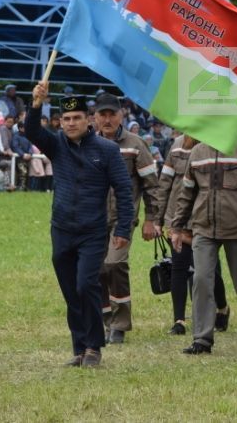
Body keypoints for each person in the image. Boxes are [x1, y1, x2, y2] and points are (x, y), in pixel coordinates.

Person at [26, 84, 133, 369]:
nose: (71, 123)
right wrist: (36, 104)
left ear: (89, 120)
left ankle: (94, 347)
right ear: (60, 122)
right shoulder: (56, 145)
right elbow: (32, 132)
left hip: (92, 232)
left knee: (87, 285)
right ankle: (79, 347)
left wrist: (123, 229)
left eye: (77, 118)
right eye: (66, 119)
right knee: (71, 292)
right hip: (61, 230)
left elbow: (123, 190)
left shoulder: (107, 150)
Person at [170, 134, 237, 355]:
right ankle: (202, 340)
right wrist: (177, 227)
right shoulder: (197, 153)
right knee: (201, 280)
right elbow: (186, 192)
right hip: (204, 228)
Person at [93, 92, 159, 345]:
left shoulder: (135, 144)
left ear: (122, 115)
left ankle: (120, 324)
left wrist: (151, 219)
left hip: (123, 219)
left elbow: (152, 185)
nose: (108, 119)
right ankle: (104, 320)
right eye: (103, 114)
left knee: (114, 265)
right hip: (93, 220)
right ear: (95, 117)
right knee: (95, 270)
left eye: (112, 114)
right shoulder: (88, 143)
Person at [153, 134, 231, 335]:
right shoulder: (177, 147)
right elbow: (164, 183)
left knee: (205, 270)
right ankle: (179, 321)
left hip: (205, 218)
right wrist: (158, 218)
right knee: (179, 267)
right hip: (177, 216)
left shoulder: (218, 145)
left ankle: (222, 308)